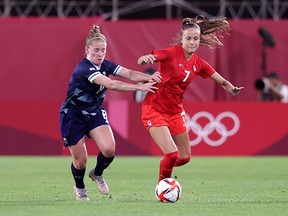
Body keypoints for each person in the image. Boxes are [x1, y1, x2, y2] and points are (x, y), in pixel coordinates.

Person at [60, 25, 162, 201]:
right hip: (73, 116)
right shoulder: (84, 68)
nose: (100, 54)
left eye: (103, 50)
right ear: (87, 50)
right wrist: (141, 87)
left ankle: (97, 174)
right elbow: (112, 85)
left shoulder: (105, 65)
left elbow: (128, 73)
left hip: (94, 112)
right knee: (80, 161)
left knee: (109, 149)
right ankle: (80, 186)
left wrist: (149, 77)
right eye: (96, 50)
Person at [137, 16, 243, 182]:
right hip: (154, 108)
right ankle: (163, 185)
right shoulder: (171, 53)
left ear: (200, 40)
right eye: (188, 38)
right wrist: (145, 59)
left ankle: (165, 164)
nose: (192, 42)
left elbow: (220, 80)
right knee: (171, 154)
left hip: (175, 112)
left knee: (184, 157)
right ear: (182, 38)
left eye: (196, 39)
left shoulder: (198, 63)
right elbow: (143, 59)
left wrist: (231, 88)